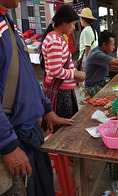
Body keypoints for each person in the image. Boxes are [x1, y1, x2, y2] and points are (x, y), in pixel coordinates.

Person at [0, 1, 75, 195]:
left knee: (43, 187)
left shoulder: (8, 22)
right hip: (11, 136)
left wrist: (46, 108)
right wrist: (7, 145)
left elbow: (28, 77)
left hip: (29, 130)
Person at [40, 5, 85, 133]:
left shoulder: (57, 38)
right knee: (64, 130)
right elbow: (55, 71)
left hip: (64, 91)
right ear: (64, 22)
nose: (74, 28)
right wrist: (75, 74)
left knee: (66, 127)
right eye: (73, 24)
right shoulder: (54, 40)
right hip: (61, 93)